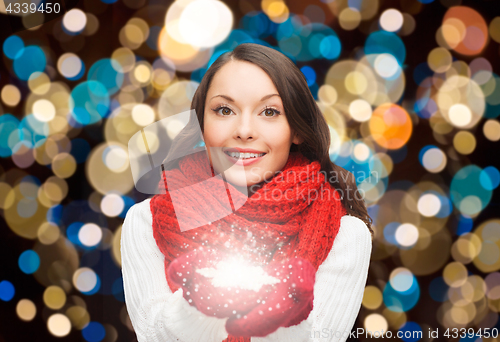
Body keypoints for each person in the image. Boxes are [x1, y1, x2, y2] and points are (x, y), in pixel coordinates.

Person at [121, 43, 373, 342]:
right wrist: (199, 302)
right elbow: (153, 336)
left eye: (269, 111)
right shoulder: (145, 222)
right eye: (224, 110)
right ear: (202, 123)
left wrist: (281, 307)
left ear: (297, 130)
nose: (244, 130)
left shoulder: (345, 235)